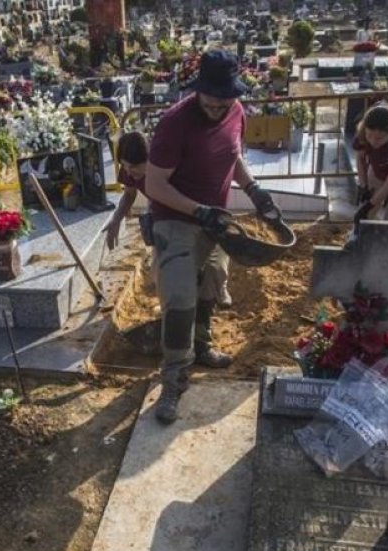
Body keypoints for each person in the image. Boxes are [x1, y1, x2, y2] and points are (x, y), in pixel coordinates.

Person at [143, 50, 279, 424]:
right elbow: (154, 185)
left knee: (212, 283)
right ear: (198, 89)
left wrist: (253, 189)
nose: (219, 107)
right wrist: (198, 210)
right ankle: (174, 378)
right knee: (180, 297)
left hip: (214, 219)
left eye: (225, 100)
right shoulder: (175, 124)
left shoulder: (236, 112)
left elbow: (231, 155)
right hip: (175, 219)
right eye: (211, 100)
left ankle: (201, 345)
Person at [104, 131, 232, 309]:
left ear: (151, 160)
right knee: (163, 268)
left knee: (211, 263)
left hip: (194, 211)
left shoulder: (172, 168)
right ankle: (171, 308)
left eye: (133, 167)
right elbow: (129, 193)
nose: (129, 172)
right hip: (162, 216)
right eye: (124, 167)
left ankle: (217, 290)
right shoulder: (131, 172)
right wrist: (116, 219)